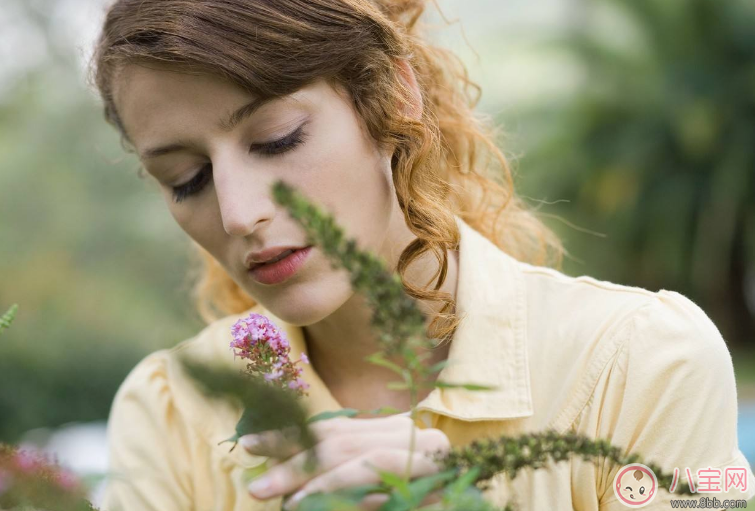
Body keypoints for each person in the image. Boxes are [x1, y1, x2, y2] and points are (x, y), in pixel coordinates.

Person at [90, 1, 755, 510]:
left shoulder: (642, 363)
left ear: (392, 99)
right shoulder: (170, 410)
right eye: (187, 179)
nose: (239, 213)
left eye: (277, 139)